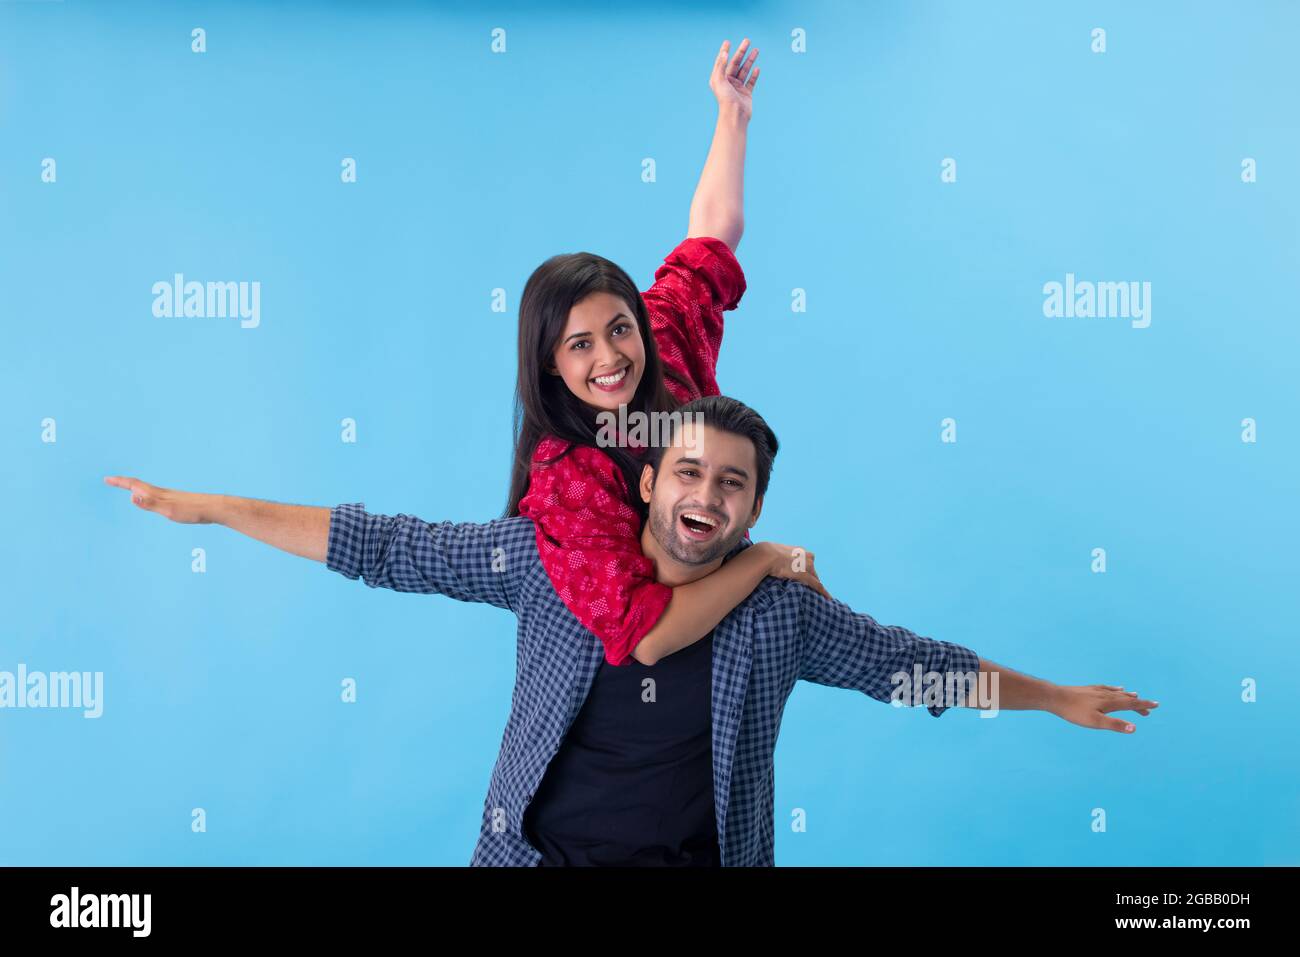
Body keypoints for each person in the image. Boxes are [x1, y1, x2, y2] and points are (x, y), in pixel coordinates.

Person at [103, 394, 1159, 866]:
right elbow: (389, 546)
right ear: (649, 479)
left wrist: (1053, 697)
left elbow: (912, 671)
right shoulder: (553, 564)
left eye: (734, 487)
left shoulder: (779, 616)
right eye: (690, 471)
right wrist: (217, 510)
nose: (709, 494)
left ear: (751, 509)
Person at [507, 37, 826, 671]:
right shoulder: (567, 473)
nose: (611, 358)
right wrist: (765, 558)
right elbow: (641, 636)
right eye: (579, 345)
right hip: (619, 671)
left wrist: (732, 115)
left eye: (619, 329)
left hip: (728, 619)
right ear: (550, 362)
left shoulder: (663, 334)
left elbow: (712, 234)